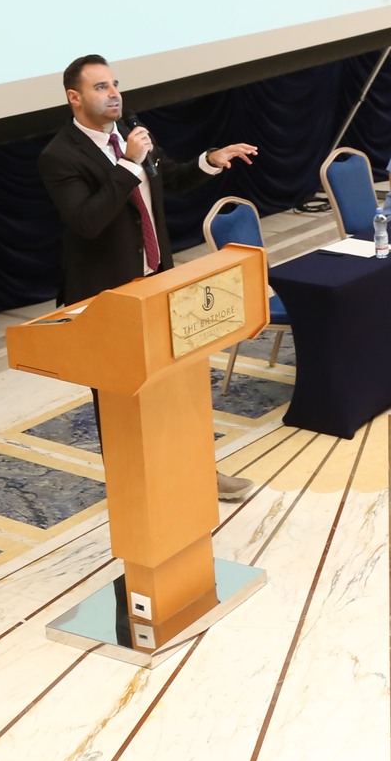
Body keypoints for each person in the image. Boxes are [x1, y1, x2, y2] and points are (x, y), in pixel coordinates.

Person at [39, 54, 262, 501]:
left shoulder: (131, 134)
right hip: (107, 299)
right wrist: (128, 165)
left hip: (159, 282)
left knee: (178, 384)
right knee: (120, 399)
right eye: (101, 87)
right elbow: (87, 220)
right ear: (74, 97)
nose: (114, 94)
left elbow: (171, 179)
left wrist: (209, 160)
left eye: (115, 84)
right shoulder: (60, 156)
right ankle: (135, 491)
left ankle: (200, 472)